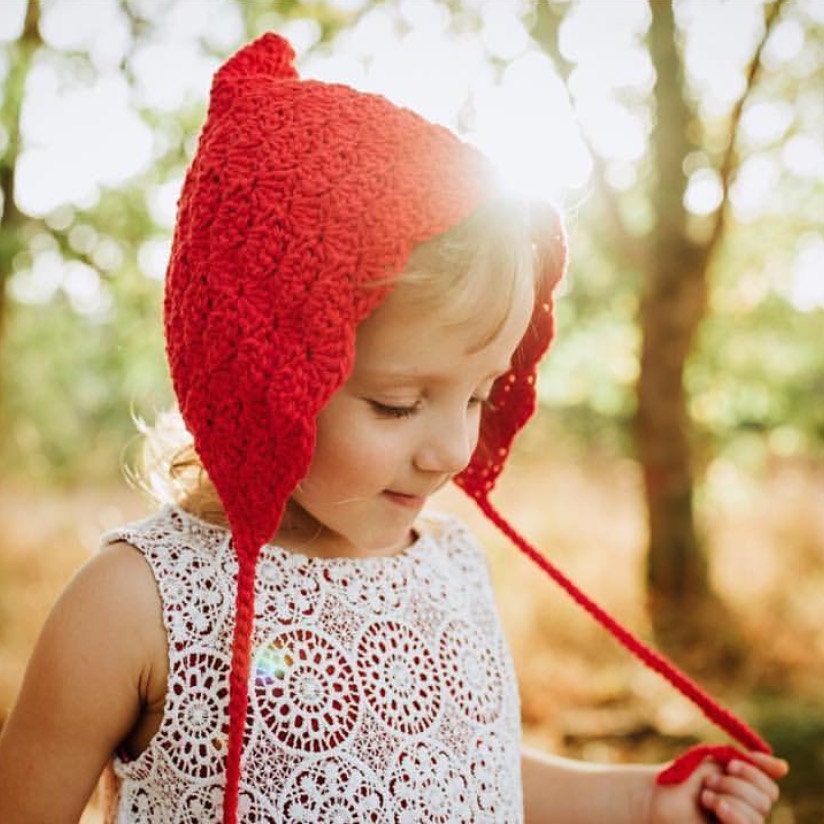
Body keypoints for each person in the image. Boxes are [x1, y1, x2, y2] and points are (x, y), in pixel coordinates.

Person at [0, 33, 787, 824]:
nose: (454, 451)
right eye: (399, 404)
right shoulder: (136, 604)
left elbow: (460, 771)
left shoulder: (452, 565)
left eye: (479, 397)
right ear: (259, 376)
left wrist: (643, 799)